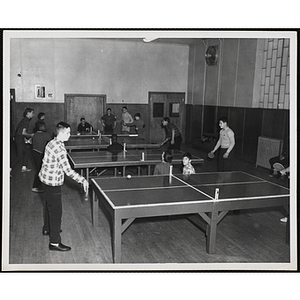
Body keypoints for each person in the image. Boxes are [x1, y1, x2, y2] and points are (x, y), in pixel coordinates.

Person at [39, 121, 89, 252]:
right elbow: (68, 171)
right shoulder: (60, 149)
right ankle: (54, 242)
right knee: (56, 212)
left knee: (48, 205)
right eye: (68, 132)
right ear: (61, 133)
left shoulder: (52, 142)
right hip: (52, 183)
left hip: (44, 180)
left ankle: (47, 228)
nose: (70, 135)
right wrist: (83, 180)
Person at [11, 107, 35, 172]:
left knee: (27, 152)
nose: (33, 114)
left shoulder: (25, 119)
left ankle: (24, 168)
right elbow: (23, 133)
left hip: (19, 138)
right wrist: (31, 135)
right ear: (28, 113)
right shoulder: (26, 120)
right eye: (32, 113)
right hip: (19, 139)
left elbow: (20, 131)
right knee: (19, 156)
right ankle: (9, 169)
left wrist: (25, 139)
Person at [32, 122, 52, 193]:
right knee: (39, 169)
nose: (45, 127)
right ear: (41, 127)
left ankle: (40, 184)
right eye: (44, 126)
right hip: (39, 154)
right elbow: (51, 141)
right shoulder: (46, 135)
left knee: (39, 168)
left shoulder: (34, 135)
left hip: (34, 153)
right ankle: (35, 186)